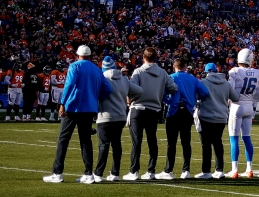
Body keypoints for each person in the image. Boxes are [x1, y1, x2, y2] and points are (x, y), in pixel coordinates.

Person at [43, 45, 113, 184]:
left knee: (63, 140)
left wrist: (62, 103)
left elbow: (69, 85)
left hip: (73, 108)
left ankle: (58, 173)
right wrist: (94, 99)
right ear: (90, 55)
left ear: (78, 55)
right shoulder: (97, 69)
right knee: (86, 141)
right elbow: (108, 89)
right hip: (89, 109)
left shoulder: (74, 66)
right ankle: (88, 173)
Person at [124, 47, 178, 181]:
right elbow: (173, 88)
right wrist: (159, 92)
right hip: (154, 110)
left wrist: (140, 93)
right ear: (155, 57)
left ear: (144, 57)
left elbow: (131, 89)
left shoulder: (139, 71)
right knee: (152, 140)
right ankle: (151, 171)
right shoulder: (163, 73)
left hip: (138, 108)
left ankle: (134, 171)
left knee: (136, 141)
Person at [95, 56, 142, 182]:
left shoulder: (101, 78)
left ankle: (98, 173)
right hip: (120, 116)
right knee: (116, 144)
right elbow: (139, 91)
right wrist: (128, 97)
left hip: (104, 116)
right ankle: (115, 173)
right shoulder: (123, 78)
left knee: (103, 145)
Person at [161, 56, 209, 179]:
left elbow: (162, 93)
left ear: (174, 66)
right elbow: (204, 92)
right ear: (185, 66)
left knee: (171, 143)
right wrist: (194, 100)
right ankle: (186, 170)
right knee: (186, 142)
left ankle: (169, 170)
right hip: (187, 112)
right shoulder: (193, 79)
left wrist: (167, 101)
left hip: (173, 111)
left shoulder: (171, 77)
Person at [194, 62, 239, 179]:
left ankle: (206, 171)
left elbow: (197, 97)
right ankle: (219, 170)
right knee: (218, 143)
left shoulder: (203, 82)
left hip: (206, 116)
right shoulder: (226, 83)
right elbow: (236, 98)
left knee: (206, 144)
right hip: (221, 117)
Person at [227, 48, 259, 178]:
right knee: (247, 137)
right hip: (250, 107)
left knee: (234, 138)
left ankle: (235, 170)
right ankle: (249, 169)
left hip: (237, 106)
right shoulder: (257, 72)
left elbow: (229, 89)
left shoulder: (235, 71)